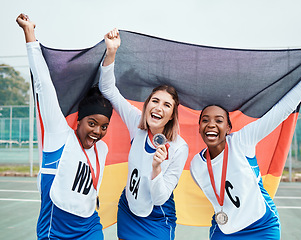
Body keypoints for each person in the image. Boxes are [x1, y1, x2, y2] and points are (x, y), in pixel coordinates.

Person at [190, 44, 301, 239]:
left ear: (228, 128)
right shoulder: (196, 165)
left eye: (219, 120)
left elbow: (282, 110)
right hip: (225, 230)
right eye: (205, 120)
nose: (211, 125)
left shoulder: (242, 141)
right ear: (199, 127)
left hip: (262, 226)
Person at [16, 13, 113, 239]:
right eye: (92, 123)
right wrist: (29, 33)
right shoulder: (59, 135)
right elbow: (44, 85)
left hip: (90, 227)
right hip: (57, 232)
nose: (98, 132)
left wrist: (112, 54)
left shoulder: (102, 150)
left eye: (104, 126)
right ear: (78, 121)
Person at [98, 29, 189, 240]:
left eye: (167, 105)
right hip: (129, 207)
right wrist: (111, 52)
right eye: (155, 101)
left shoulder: (178, 147)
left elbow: (160, 198)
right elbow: (108, 90)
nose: (159, 108)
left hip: (157, 216)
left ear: (171, 116)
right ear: (147, 104)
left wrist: (156, 168)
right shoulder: (136, 124)